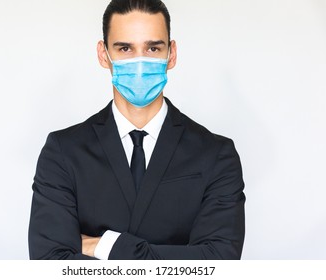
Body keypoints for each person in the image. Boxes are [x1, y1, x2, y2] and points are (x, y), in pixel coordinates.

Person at [28, 0, 245, 260]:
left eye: (153, 48)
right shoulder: (63, 152)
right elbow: (49, 263)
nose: (140, 62)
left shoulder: (217, 155)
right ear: (103, 54)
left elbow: (217, 263)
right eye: (125, 48)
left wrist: (103, 245)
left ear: (171, 54)